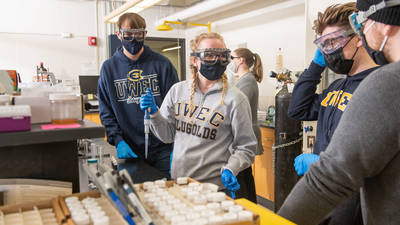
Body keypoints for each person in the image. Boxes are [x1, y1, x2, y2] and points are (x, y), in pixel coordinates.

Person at [278, 0, 400, 224]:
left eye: (333, 41)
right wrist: (316, 65)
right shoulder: (336, 87)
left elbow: (350, 171)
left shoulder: (381, 84)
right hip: (325, 204)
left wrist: (321, 164)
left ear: (358, 38)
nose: (328, 50)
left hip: (350, 203)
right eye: (323, 44)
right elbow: (297, 109)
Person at [140, 32, 257, 193]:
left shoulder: (236, 99)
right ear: (194, 60)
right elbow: (167, 136)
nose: (216, 60)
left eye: (222, 55)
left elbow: (246, 147)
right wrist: (155, 114)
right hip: (179, 182)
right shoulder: (177, 91)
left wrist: (231, 168)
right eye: (209, 55)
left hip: (214, 188)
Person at [97, 13, 179, 175]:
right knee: (134, 195)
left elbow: (177, 106)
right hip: (129, 148)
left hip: (162, 146)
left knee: (165, 194)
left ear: (145, 34)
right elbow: (106, 111)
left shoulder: (162, 64)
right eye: (128, 34)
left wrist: (176, 143)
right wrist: (118, 141)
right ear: (118, 34)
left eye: (138, 34)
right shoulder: (109, 68)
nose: (133, 39)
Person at [226, 48, 264, 203]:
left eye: (231, 58)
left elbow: (237, 106)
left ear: (240, 60)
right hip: (239, 133)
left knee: (242, 175)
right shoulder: (241, 80)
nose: (229, 62)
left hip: (244, 134)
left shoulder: (247, 80)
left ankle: (247, 206)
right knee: (243, 173)